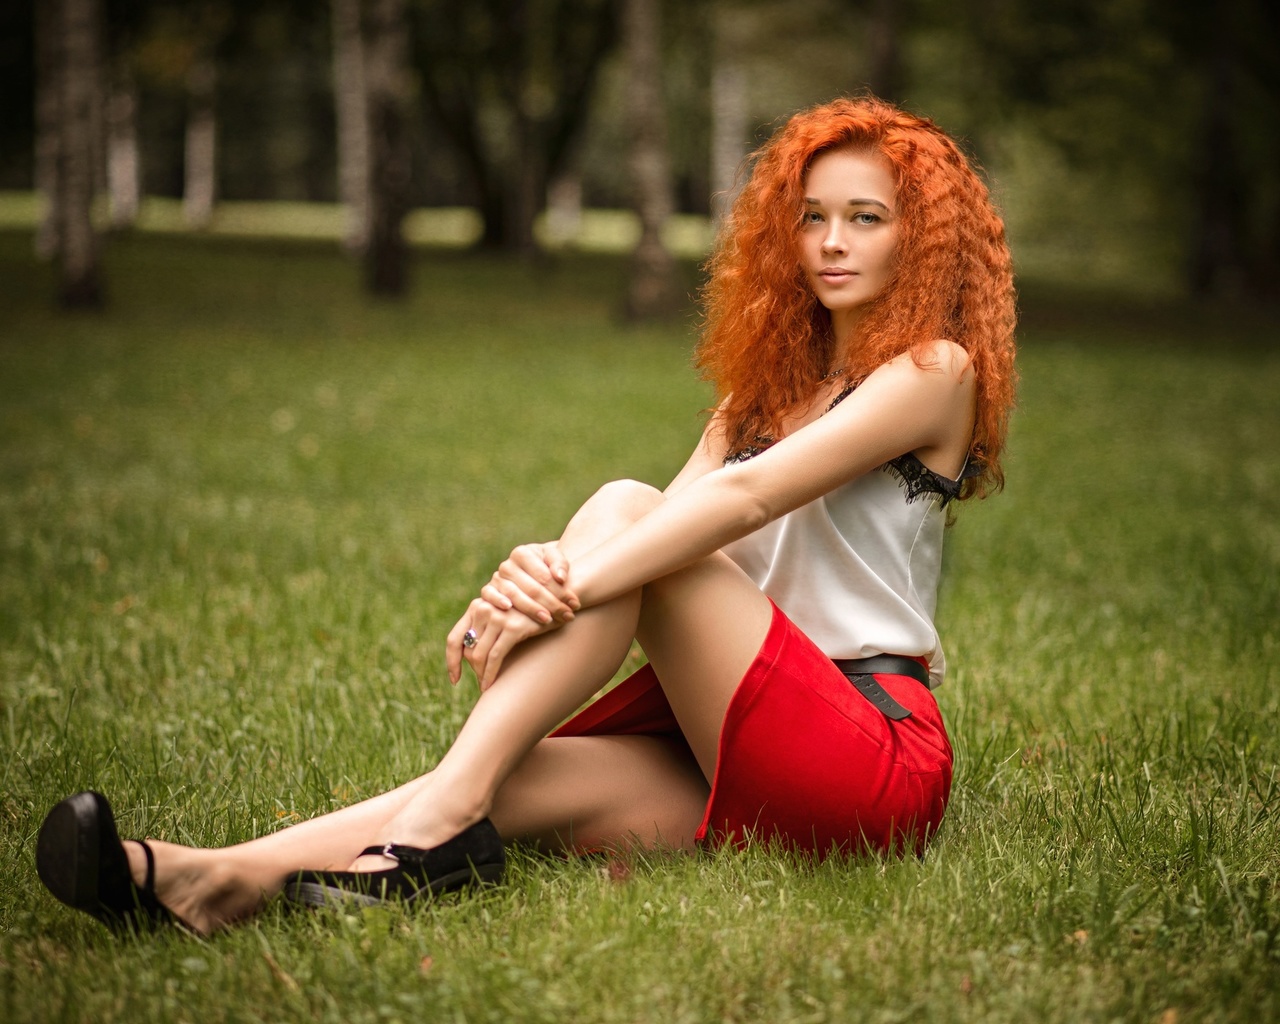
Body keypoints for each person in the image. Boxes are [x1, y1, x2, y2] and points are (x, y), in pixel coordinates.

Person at [35, 96, 1016, 936]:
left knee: (622, 512)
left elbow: (733, 501)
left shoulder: (933, 373)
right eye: (811, 217)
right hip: (725, 729)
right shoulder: (760, 394)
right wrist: (546, 570)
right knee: (526, 769)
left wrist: (568, 578)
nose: (832, 242)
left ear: (917, 235)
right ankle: (203, 878)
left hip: (867, 756)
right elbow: (667, 524)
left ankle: (436, 830)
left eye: (864, 217)